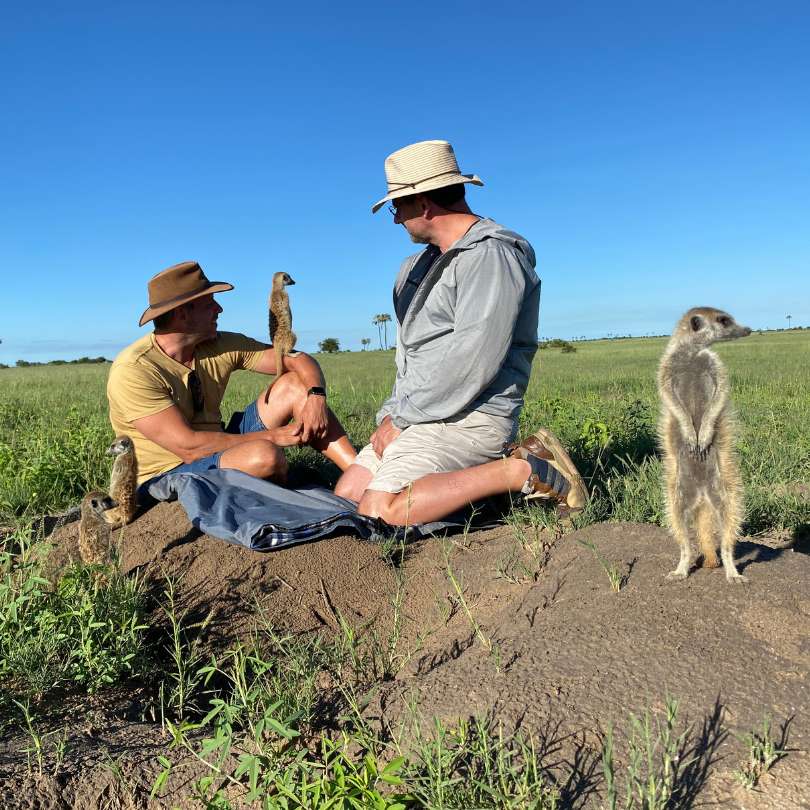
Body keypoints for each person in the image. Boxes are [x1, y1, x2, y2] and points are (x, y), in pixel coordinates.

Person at [334, 140, 587, 525]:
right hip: (422, 412)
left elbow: (472, 364)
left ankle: (520, 471)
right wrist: (392, 416)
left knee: (378, 512)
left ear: (423, 204)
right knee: (347, 496)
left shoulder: (491, 258)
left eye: (397, 206)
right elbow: (411, 358)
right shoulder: (415, 268)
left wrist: (402, 422)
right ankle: (474, 489)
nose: (395, 218)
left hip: (471, 417)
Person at [107, 261, 356, 493]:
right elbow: (189, 448)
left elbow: (296, 359)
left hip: (219, 444)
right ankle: (282, 495)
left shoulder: (218, 343)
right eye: (210, 303)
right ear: (182, 313)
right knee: (265, 456)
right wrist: (273, 436)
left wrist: (317, 397)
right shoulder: (134, 370)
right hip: (169, 473)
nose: (220, 309)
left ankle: (361, 475)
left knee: (294, 384)